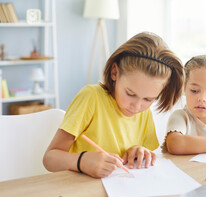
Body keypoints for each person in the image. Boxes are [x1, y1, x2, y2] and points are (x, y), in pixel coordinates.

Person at [43, 32, 184, 178]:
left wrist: (137, 152)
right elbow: (50, 158)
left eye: (148, 99)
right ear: (115, 72)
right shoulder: (92, 97)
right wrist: (82, 161)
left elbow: (142, 156)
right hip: (80, 190)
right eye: (130, 94)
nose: (136, 107)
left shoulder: (144, 113)